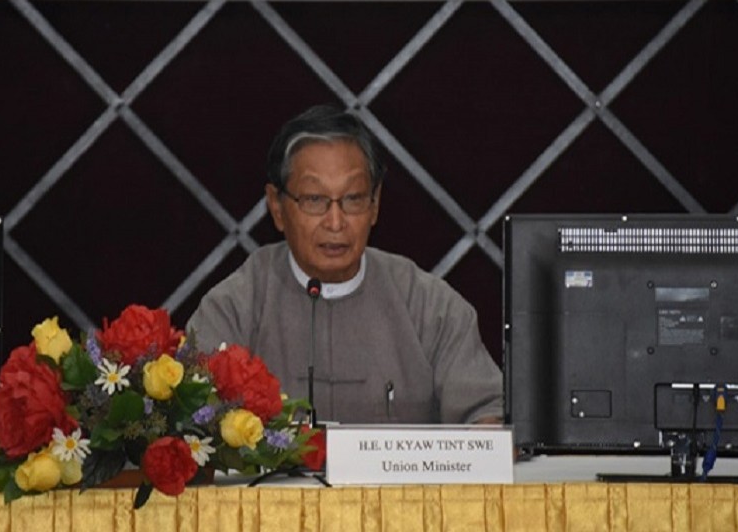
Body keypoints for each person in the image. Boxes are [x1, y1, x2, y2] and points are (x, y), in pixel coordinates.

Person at [187, 105, 503, 424]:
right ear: (277, 207)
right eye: (314, 200)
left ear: (375, 204)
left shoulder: (429, 304)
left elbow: (490, 419)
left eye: (352, 199)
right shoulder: (234, 306)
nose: (336, 222)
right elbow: (193, 423)